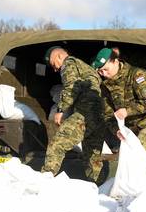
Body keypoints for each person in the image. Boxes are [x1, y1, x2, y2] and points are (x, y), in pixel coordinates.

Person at [92, 47, 146, 165]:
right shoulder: (105, 87)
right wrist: (117, 130)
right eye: (101, 72)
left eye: (106, 69)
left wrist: (127, 111)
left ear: (116, 61)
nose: (105, 74)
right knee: (137, 162)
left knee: (138, 156)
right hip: (132, 129)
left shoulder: (137, 75)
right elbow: (108, 115)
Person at [41, 46, 105, 183]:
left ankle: (44, 180)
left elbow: (71, 87)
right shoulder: (84, 67)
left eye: (53, 64)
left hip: (85, 112)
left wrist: (61, 110)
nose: (55, 69)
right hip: (99, 115)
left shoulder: (68, 63)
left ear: (59, 56)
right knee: (92, 156)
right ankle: (96, 187)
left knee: (57, 144)